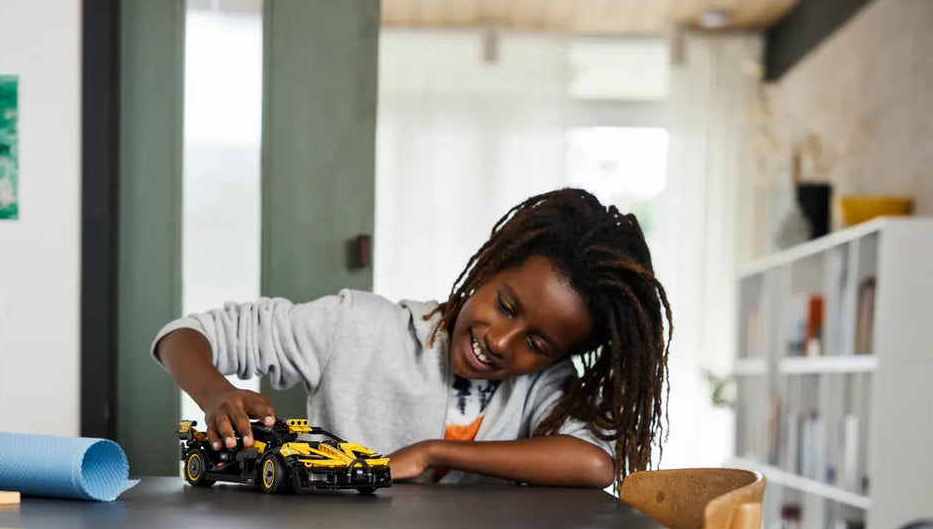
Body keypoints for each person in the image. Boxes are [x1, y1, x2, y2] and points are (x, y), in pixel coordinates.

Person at [152, 188, 672, 488]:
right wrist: (219, 395)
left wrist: (432, 452)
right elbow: (185, 335)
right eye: (506, 306)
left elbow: (594, 463)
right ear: (488, 269)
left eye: (538, 344)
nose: (501, 341)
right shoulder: (356, 326)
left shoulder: (545, 388)